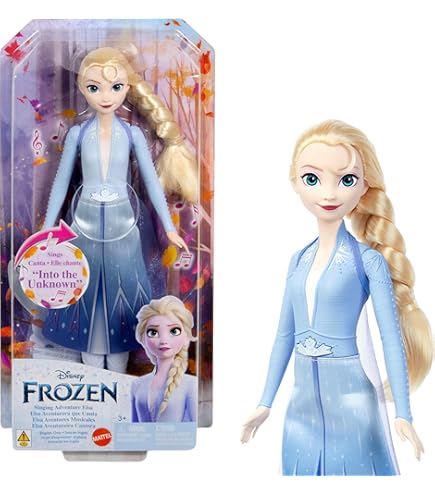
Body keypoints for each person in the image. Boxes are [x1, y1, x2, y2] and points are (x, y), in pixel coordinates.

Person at [241, 120, 432, 475]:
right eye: (313, 179)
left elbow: (389, 338)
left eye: (346, 180)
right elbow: (284, 336)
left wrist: (403, 414)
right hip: (300, 409)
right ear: (295, 182)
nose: (329, 194)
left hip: (353, 401)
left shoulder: (367, 261)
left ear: (364, 187)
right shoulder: (298, 260)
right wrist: (265, 403)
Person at [41, 47, 196, 372]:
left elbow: (152, 182)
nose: (105, 96)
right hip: (82, 224)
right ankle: (92, 371)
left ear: (127, 87)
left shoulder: (132, 134)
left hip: (123, 224)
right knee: (85, 291)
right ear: (82, 88)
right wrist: (47, 227)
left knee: (121, 292)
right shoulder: (78, 134)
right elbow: (61, 180)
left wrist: (169, 229)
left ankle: (119, 374)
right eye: (94, 87)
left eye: (115, 87)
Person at [131, 295, 197, 422]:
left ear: (186, 337)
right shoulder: (137, 385)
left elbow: (193, 428)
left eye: (174, 331)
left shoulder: (190, 385)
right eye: (153, 332)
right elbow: (132, 427)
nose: (164, 340)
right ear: (143, 339)